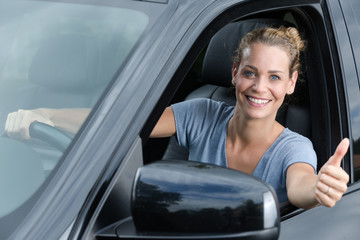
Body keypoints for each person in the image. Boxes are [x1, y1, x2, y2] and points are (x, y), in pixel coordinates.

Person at [4, 26, 349, 209]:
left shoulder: (294, 148)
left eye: (274, 77)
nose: (259, 87)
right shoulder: (203, 113)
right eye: (250, 72)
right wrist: (45, 114)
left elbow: (300, 184)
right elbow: (123, 122)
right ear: (234, 73)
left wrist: (319, 189)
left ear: (290, 83)